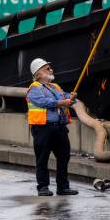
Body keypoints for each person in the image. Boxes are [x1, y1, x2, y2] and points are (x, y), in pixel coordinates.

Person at [26, 58, 78, 197]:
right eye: (47, 69)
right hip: (43, 129)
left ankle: (63, 187)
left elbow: (65, 95)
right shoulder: (34, 88)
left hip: (59, 127)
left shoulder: (55, 87)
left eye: (50, 68)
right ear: (38, 74)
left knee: (64, 156)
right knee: (42, 158)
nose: (51, 70)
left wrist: (71, 97)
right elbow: (43, 102)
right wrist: (62, 102)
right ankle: (43, 187)